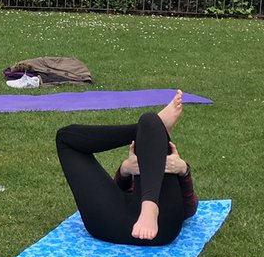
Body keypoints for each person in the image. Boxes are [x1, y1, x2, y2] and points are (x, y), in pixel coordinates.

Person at [55, 91, 198, 246]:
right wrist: (125, 170)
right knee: (65, 137)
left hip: (160, 226)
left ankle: (150, 206)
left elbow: (190, 209)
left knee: (149, 120)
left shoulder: (170, 163)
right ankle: (149, 129)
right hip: (111, 222)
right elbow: (114, 191)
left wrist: (183, 170)